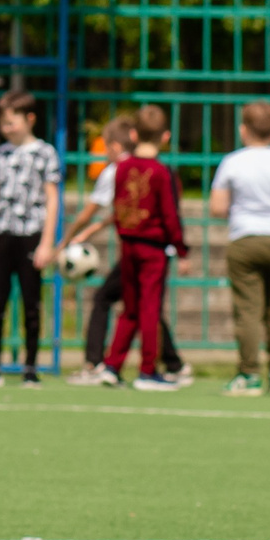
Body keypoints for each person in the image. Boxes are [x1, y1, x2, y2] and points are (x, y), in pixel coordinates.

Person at [208, 100, 270, 397]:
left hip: (245, 239)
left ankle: (249, 374)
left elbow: (217, 206)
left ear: (243, 130)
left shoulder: (233, 162)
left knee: (248, 311)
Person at [0, 89, 60, 385]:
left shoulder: (45, 153)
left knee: (31, 303)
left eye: (13, 122)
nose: (7, 128)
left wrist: (47, 242)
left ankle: (31, 368)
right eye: (3, 123)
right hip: (2, 233)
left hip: (31, 235)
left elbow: (52, 200)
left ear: (30, 119)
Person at [96, 118, 185, 390]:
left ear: (133, 134)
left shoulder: (121, 168)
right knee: (149, 308)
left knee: (130, 308)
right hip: (153, 247)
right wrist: (181, 248)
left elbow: (118, 204)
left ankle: (112, 365)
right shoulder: (161, 172)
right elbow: (170, 214)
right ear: (165, 137)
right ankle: (147, 370)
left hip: (128, 243)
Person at [58, 113, 136, 382]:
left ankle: (94, 365)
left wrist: (66, 239)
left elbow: (87, 212)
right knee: (145, 305)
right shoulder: (142, 168)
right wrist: (92, 232)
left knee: (104, 299)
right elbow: (119, 213)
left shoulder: (115, 172)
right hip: (151, 248)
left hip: (134, 251)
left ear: (114, 146)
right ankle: (172, 364)